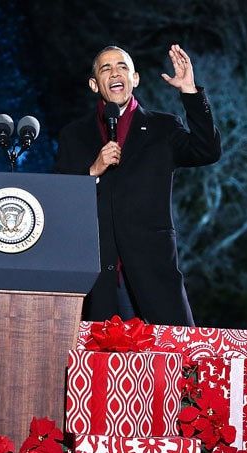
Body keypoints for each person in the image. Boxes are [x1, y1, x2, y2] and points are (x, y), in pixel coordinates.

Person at [54, 44, 221, 326]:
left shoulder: (163, 128)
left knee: (174, 362)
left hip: (152, 269)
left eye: (122, 67)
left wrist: (189, 92)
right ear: (95, 84)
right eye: (105, 69)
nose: (115, 72)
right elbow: (58, 201)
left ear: (135, 78)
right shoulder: (74, 135)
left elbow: (207, 151)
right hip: (96, 277)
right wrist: (92, 170)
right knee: (102, 367)